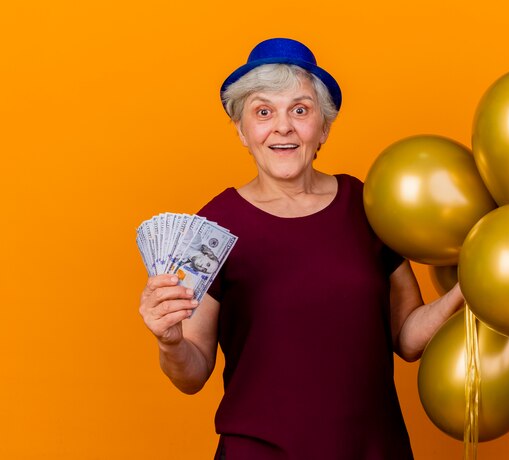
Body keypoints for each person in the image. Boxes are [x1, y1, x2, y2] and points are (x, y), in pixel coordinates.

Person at [139, 37, 464, 460]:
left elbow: (407, 338)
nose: (283, 127)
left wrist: (464, 291)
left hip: (371, 450)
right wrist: (169, 342)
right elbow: (192, 373)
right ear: (241, 130)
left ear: (324, 126)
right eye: (262, 112)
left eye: (300, 109)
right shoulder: (212, 226)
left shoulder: (366, 205)